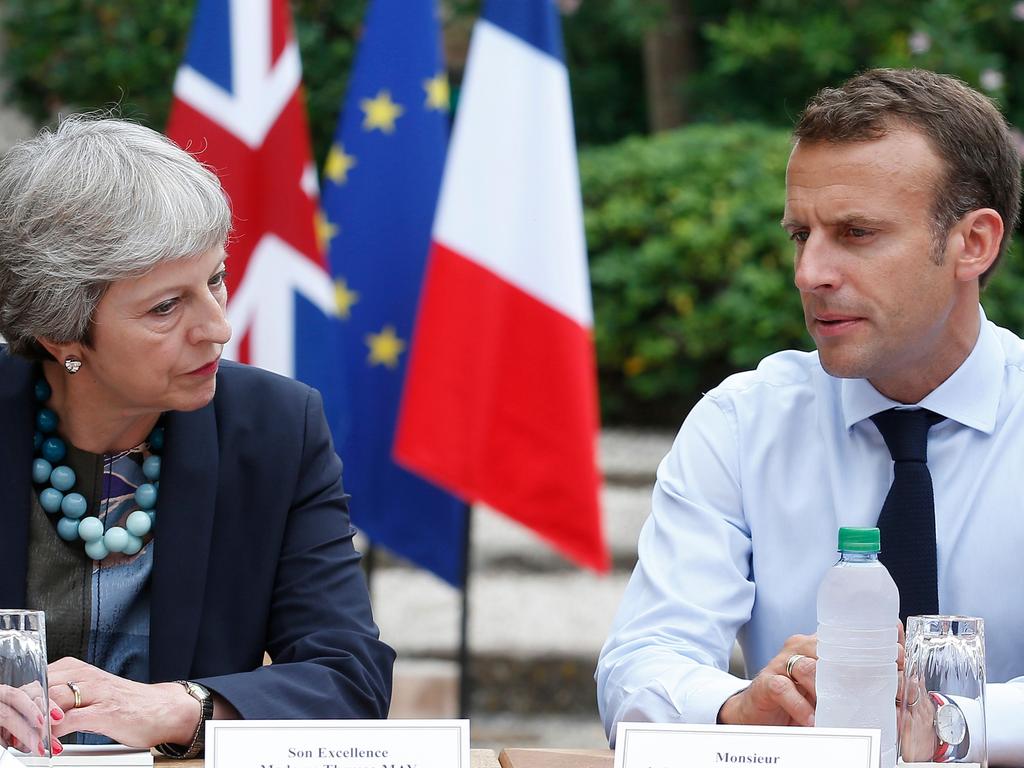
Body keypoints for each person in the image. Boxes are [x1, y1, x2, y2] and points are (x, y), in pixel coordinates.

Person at [596, 68, 1024, 765]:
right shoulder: (741, 423)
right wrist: (737, 708)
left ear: (973, 244)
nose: (810, 272)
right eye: (802, 234)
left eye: (856, 233)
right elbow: (640, 663)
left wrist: (945, 720)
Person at [0, 116, 394, 758]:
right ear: (60, 333)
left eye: (214, 279)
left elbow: (349, 679)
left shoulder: (276, 428)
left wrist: (186, 707)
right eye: (165, 306)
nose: (218, 328)